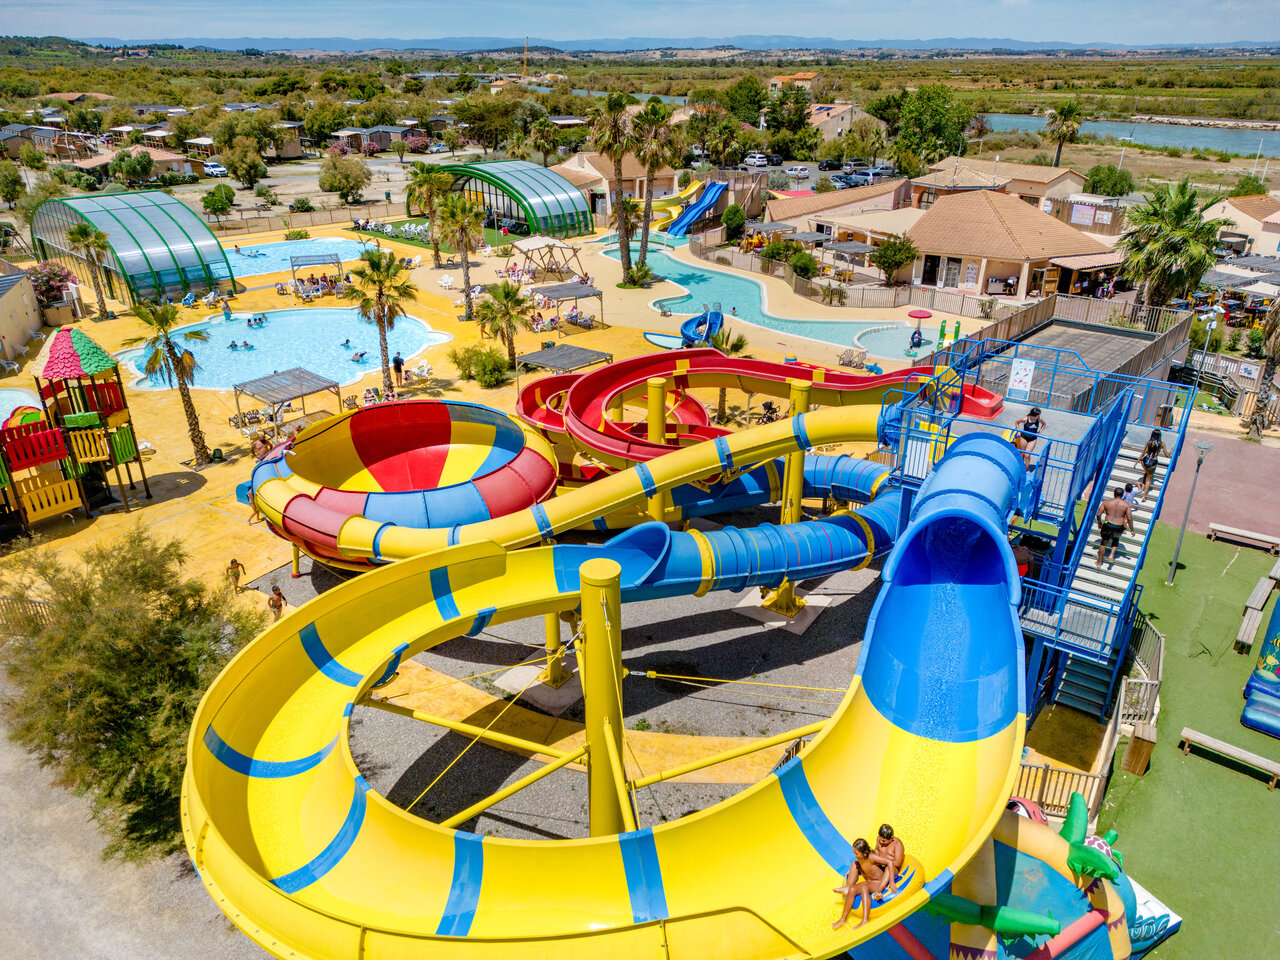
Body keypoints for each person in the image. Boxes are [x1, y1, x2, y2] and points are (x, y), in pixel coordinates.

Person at [833, 839, 883, 930]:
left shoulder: (872, 857)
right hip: (870, 881)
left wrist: (891, 881)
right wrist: (852, 870)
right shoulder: (860, 860)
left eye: (856, 853)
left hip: (878, 882)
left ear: (864, 854)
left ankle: (865, 920)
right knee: (852, 889)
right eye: (854, 852)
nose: (854, 855)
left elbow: (889, 862)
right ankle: (843, 919)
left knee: (864, 888)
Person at [1096, 487, 1134, 569]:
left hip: (1107, 524)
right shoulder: (1126, 505)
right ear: (1122, 495)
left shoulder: (1106, 502)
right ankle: (1111, 555)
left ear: (1114, 494)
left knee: (1103, 543)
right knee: (1116, 539)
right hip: (1119, 526)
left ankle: (1099, 562)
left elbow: (1098, 514)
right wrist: (1132, 530)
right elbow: (1129, 518)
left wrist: (1099, 523)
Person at [870, 824, 905, 900]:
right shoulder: (879, 839)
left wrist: (884, 862)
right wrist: (875, 857)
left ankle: (878, 892)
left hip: (892, 868)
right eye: (880, 839)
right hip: (881, 865)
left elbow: (898, 863)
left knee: (889, 867)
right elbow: (876, 849)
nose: (881, 842)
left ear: (891, 838)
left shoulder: (897, 844)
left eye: (884, 841)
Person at [1135, 429, 1171, 502]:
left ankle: (1142, 488)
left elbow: (1143, 453)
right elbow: (1167, 455)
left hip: (1145, 461)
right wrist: (1171, 450)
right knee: (1149, 480)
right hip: (1153, 462)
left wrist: (1137, 462)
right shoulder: (1162, 444)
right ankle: (1144, 496)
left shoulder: (1149, 442)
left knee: (1146, 473)